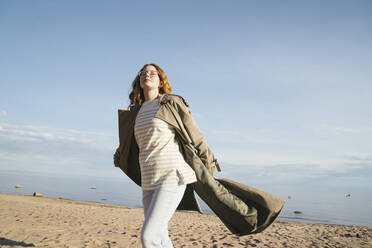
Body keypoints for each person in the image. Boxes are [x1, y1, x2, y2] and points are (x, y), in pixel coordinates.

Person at [114, 63, 220, 247]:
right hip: (148, 180)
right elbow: (132, 142)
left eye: (152, 73)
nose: (147, 75)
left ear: (161, 82)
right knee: (161, 236)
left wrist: (208, 168)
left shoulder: (169, 103)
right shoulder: (137, 112)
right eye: (143, 73)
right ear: (139, 81)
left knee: (148, 236)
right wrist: (120, 154)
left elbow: (196, 136)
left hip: (172, 176)